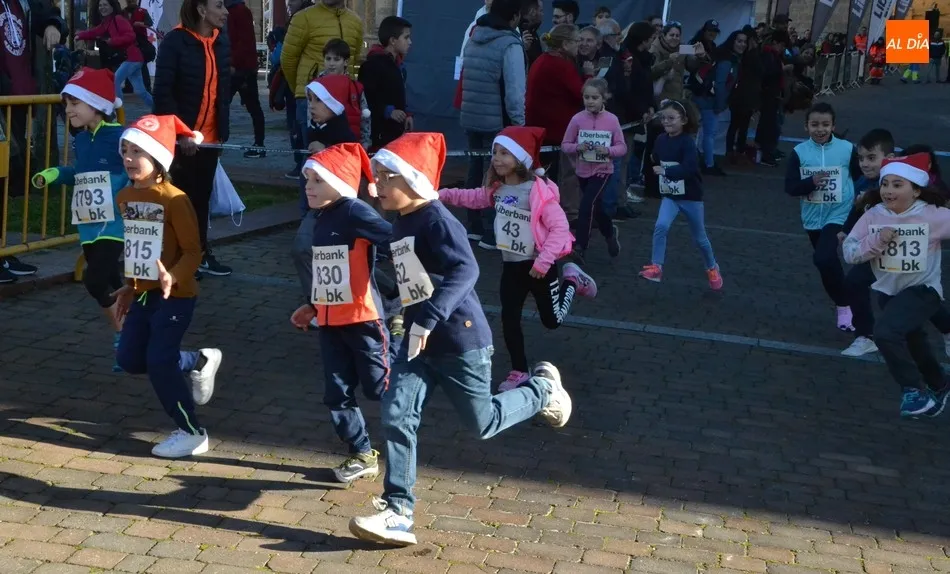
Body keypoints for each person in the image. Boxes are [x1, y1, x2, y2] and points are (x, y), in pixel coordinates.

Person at [348, 131, 572, 547]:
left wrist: (428, 319)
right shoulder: (401, 222)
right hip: (417, 343)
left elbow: (466, 270)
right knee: (397, 415)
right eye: (375, 176)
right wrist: (400, 316)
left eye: (386, 177)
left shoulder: (436, 221)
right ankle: (399, 511)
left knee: (482, 423)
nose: (376, 185)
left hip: (459, 342)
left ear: (413, 180)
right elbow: (411, 281)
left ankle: (542, 390)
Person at [438, 126, 597, 391]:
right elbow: (473, 197)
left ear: (521, 159)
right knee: (509, 317)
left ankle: (572, 279)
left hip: (539, 266)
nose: (497, 159)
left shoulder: (538, 192)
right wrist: (440, 195)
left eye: (505, 153)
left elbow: (560, 229)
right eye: (495, 152)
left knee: (552, 321)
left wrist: (544, 261)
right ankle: (519, 370)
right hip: (511, 266)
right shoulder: (497, 188)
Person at [113, 114, 223, 458]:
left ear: (158, 158)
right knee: (130, 359)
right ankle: (197, 360)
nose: (129, 158)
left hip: (177, 296)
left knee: (160, 361)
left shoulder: (175, 199)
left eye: (138, 152)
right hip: (143, 294)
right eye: (125, 151)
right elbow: (138, 249)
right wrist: (130, 286)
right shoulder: (125, 195)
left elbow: (193, 251)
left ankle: (192, 432)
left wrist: (172, 276)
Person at [289, 143, 394, 483]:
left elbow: (397, 241)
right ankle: (362, 452)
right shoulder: (321, 215)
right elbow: (328, 272)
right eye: (307, 179)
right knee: (336, 393)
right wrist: (313, 305)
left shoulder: (354, 211)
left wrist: (415, 294)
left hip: (364, 320)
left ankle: (410, 362)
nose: (309, 187)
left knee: (380, 388)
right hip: (330, 322)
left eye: (318, 180)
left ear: (340, 182)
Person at [31, 68, 127, 369]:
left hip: (114, 224)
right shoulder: (81, 140)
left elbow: (138, 170)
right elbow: (80, 174)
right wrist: (56, 174)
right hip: (88, 225)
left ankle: (124, 336)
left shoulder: (121, 137)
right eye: (66, 104)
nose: (68, 110)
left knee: (94, 281)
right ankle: (132, 335)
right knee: (112, 283)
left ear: (96, 104)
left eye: (75, 103)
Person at [843, 153, 950, 418]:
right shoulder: (873, 216)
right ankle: (940, 384)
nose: (888, 190)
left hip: (924, 290)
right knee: (915, 344)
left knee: (885, 333)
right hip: (889, 292)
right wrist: (877, 241)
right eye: (885, 184)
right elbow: (850, 252)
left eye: (897, 185)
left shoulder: (933, 215)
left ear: (916, 190)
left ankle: (912, 391)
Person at [152, 0, 232, 277]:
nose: (225, 12)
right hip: (178, 141)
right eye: (219, 5)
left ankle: (199, 254)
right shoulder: (175, 41)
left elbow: (222, 91)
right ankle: (176, 257)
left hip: (210, 140)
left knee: (201, 200)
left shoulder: (221, 42)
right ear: (201, 9)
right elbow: (162, 92)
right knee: (178, 201)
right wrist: (181, 132)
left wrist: (222, 131)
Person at [458, 0, 533, 250]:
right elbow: (515, 90)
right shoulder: (510, 44)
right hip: (497, 121)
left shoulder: (474, 36)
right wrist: (519, 124)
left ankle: (474, 227)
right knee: (497, 175)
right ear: (514, 17)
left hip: (471, 116)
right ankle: (493, 232)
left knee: (475, 169)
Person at [0, 0, 65, 283]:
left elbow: (47, 11)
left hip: (18, 100)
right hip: (3, 100)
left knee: (5, 179)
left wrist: (53, 24)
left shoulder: (22, 2)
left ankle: (3, 250)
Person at [784, 103, 860, 331]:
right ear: (806, 127)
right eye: (815, 125)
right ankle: (844, 304)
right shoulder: (799, 152)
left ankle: (846, 306)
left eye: (825, 124)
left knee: (823, 258)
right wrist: (811, 182)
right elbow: (791, 187)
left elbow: (861, 175)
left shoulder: (847, 149)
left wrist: (864, 195)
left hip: (839, 213)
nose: (820, 129)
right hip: (812, 217)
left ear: (833, 126)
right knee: (825, 263)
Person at [639, 99, 722, 289]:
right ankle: (656, 266)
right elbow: (655, 156)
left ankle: (711, 267)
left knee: (700, 238)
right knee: (661, 226)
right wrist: (655, 160)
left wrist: (666, 171)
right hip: (670, 195)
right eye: (663, 118)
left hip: (691, 197)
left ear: (684, 120)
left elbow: (690, 168)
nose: (666, 122)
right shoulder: (661, 139)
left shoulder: (688, 143)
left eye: (671, 118)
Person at [280, 0, 364, 174]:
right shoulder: (303, 17)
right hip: (311, 100)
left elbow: (354, 58)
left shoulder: (355, 21)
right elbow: (288, 60)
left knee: (341, 157)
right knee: (312, 158)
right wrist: (303, 92)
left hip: (344, 99)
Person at [561, 77, 626, 263]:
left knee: (586, 204)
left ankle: (580, 246)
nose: (590, 101)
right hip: (582, 170)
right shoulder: (577, 119)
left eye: (595, 98)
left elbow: (622, 147)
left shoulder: (612, 120)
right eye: (586, 97)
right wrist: (577, 147)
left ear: (604, 98)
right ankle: (609, 232)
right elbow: (565, 145)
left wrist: (608, 151)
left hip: (603, 170)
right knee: (596, 209)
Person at [525, 24, 583, 216]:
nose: (579, 45)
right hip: (555, 129)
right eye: (577, 41)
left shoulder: (542, 60)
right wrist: (590, 74)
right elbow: (581, 93)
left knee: (542, 173)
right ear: (565, 44)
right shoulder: (561, 66)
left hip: (540, 126)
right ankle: (560, 213)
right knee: (560, 175)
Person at [76, 0, 153, 109]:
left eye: (105, 5)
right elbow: (95, 32)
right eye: (100, 5)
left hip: (132, 58)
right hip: (133, 58)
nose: (102, 7)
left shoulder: (118, 19)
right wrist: (80, 35)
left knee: (115, 81)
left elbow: (131, 36)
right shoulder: (107, 22)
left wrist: (113, 41)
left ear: (112, 7)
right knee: (141, 91)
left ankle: (118, 111)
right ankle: (159, 109)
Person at [692, 29, 747, 176]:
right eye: (739, 41)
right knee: (709, 133)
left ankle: (705, 162)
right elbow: (720, 84)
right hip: (709, 100)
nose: (742, 44)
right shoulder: (728, 60)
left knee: (703, 132)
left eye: (744, 42)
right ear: (732, 41)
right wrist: (720, 104)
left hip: (704, 98)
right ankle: (708, 164)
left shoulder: (726, 56)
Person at [359, 16, 413, 151]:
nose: (410, 42)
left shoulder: (399, 66)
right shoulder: (372, 65)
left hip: (395, 133)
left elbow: (398, 95)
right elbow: (366, 98)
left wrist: (406, 113)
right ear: (393, 41)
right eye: (406, 37)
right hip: (378, 136)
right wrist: (386, 111)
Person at [225, 0, 266, 158]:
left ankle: (259, 144)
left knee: (224, 105)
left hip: (241, 69)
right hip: (242, 67)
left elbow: (244, 41)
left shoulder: (239, 11)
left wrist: (233, 63)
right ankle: (259, 144)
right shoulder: (233, 10)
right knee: (251, 107)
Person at [317, 39, 371, 149]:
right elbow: (311, 119)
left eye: (336, 59)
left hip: (352, 145)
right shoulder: (317, 87)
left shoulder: (356, 87)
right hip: (324, 147)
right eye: (328, 59)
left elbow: (365, 119)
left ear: (346, 62)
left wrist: (365, 143)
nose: (331, 63)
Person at [726, 26, 762, 165]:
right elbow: (759, 71)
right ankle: (736, 151)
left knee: (737, 125)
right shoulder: (749, 55)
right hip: (744, 95)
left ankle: (734, 151)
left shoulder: (745, 55)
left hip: (742, 95)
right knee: (740, 125)